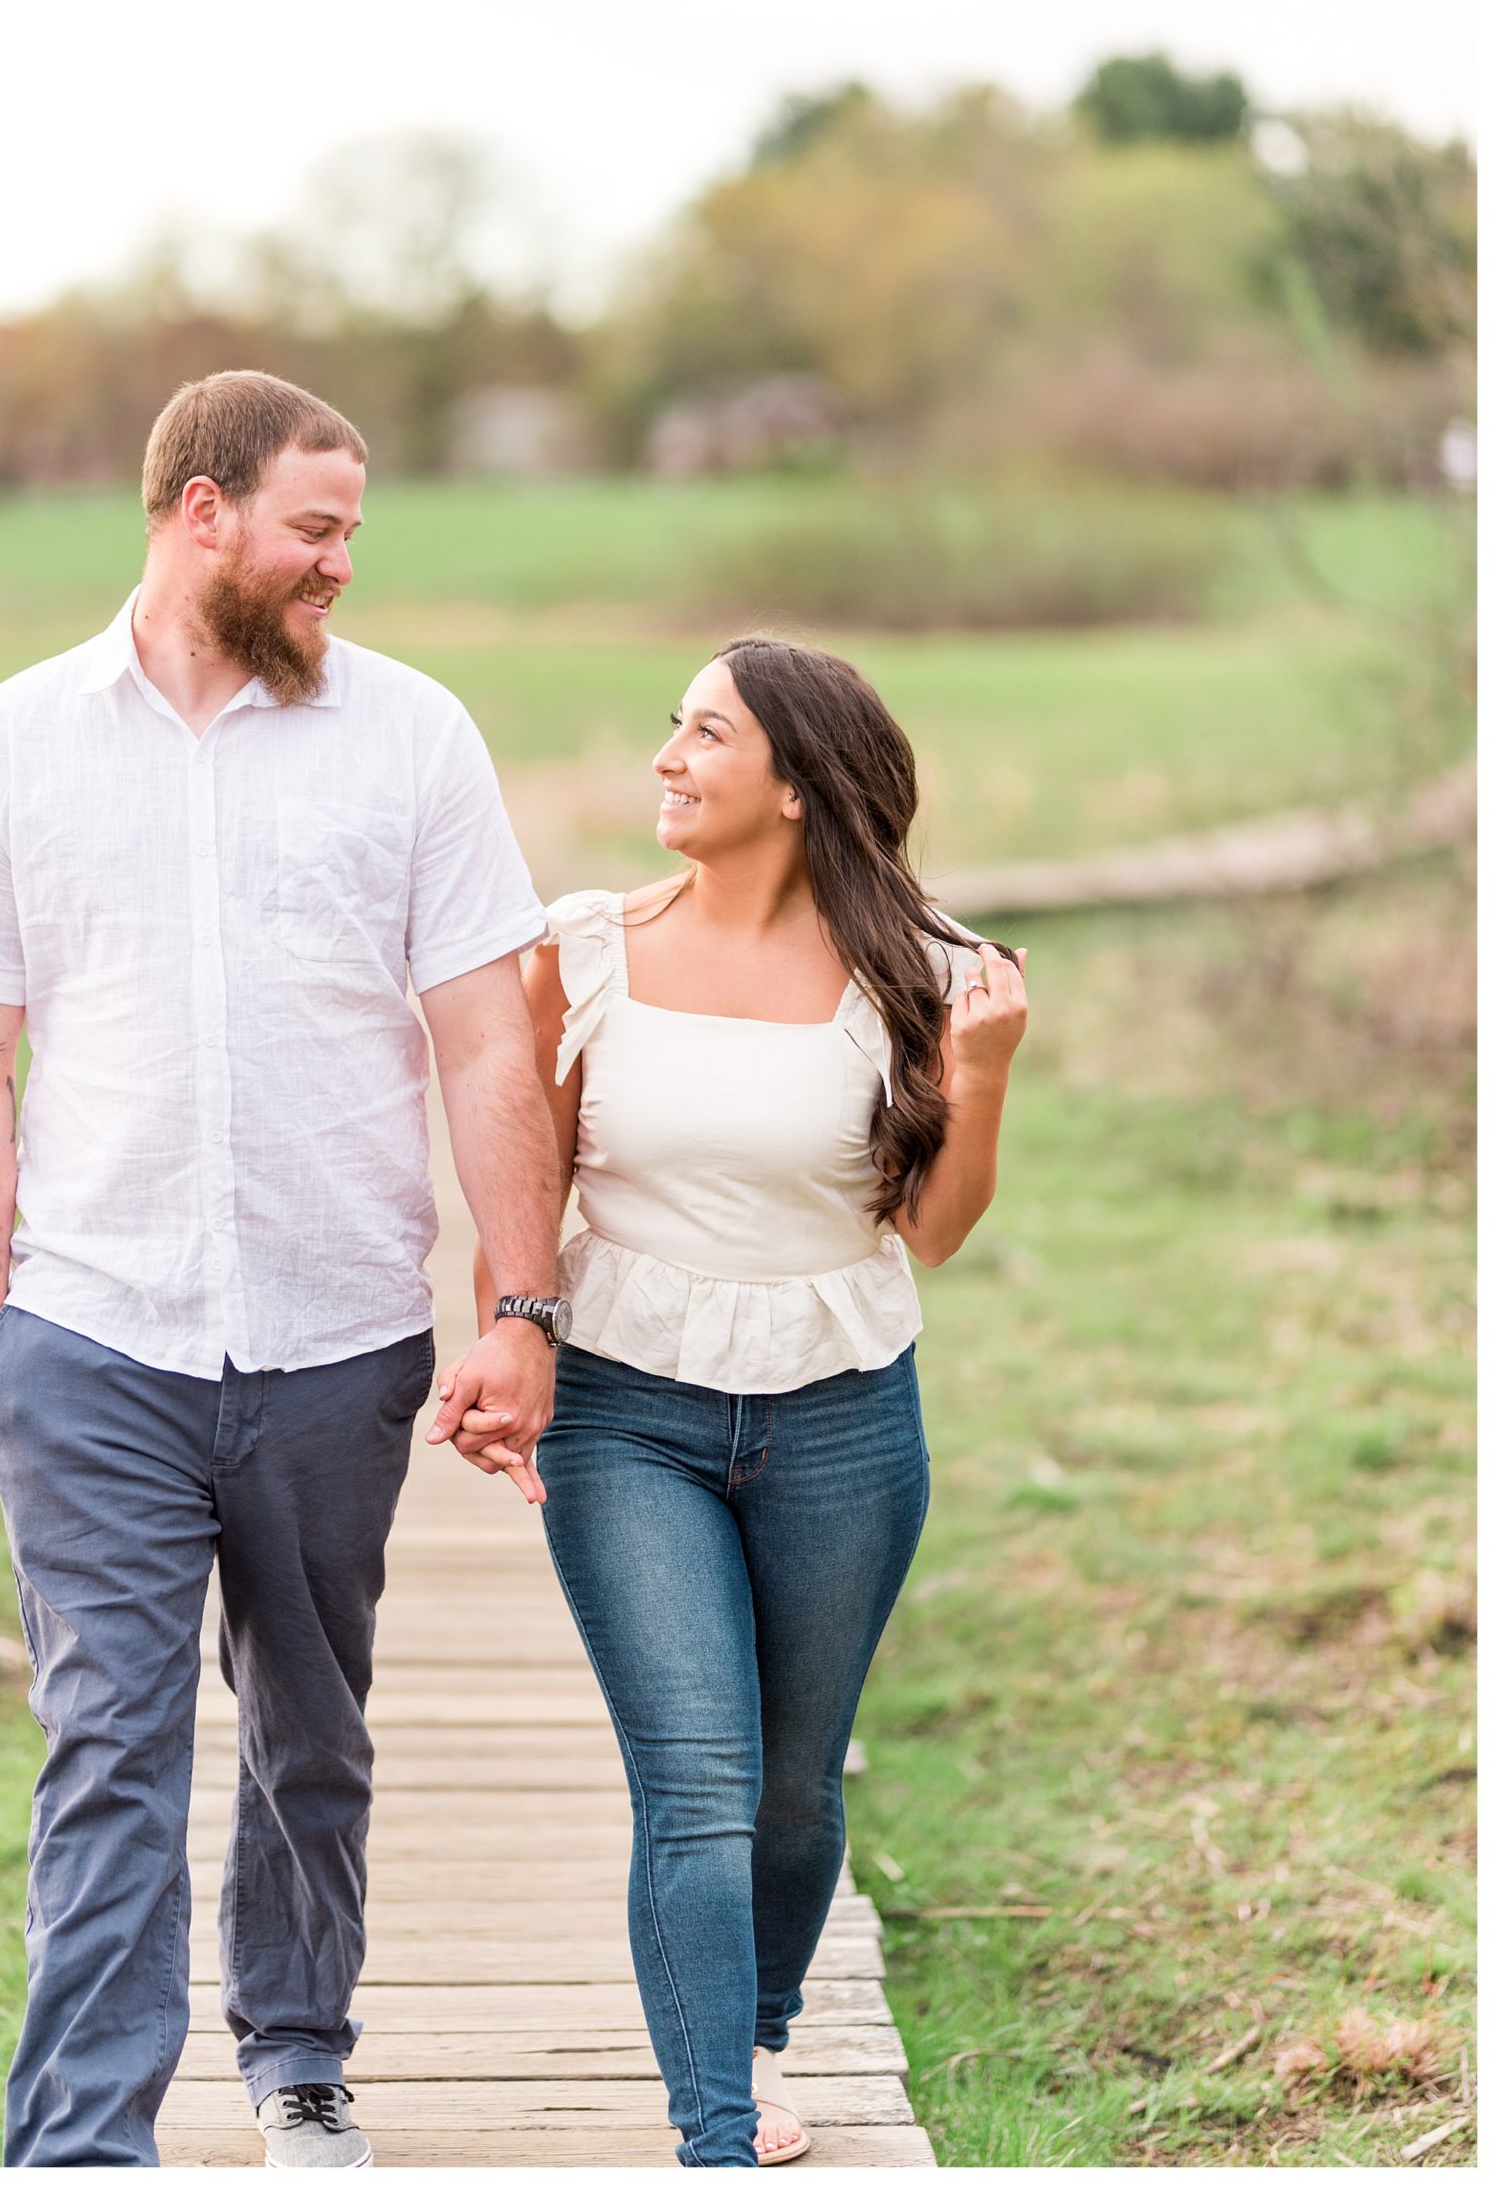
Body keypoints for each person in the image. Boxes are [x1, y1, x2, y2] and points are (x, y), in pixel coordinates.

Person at [0, 370, 573, 2169]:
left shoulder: (413, 737)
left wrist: (521, 1305)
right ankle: (83, 2146)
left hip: (339, 1342)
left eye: (352, 529)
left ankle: (298, 2052)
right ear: (202, 512)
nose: (344, 561)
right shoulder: (7, 746)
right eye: (315, 528)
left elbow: (489, 1046)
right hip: (89, 1342)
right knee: (110, 1744)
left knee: (309, 1731)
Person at [458, 636, 1027, 2168]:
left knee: (791, 1789)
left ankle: (758, 2030)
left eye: (704, 734)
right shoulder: (581, 948)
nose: (667, 757)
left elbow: (938, 1229)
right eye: (672, 727)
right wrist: (509, 1337)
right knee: (696, 1784)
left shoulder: (926, 968)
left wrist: (981, 1075)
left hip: (843, 1415)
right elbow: (529, 1180)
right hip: (628, 1410)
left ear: (795, 784)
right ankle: (717, 2129)